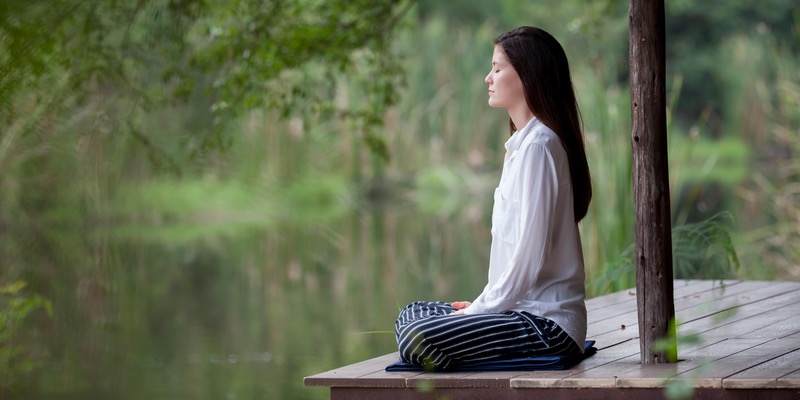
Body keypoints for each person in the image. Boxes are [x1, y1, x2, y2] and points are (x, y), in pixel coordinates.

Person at [394, 26, 593, 369]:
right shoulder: (519, 147)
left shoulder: (540, 147)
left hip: (546, 326)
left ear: (528, 75)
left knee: (418, 334)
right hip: (517, 313)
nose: (488, 77)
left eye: (497, 69)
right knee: (412, 313)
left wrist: (478, 311)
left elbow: (528, 261)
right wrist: (480, 305)